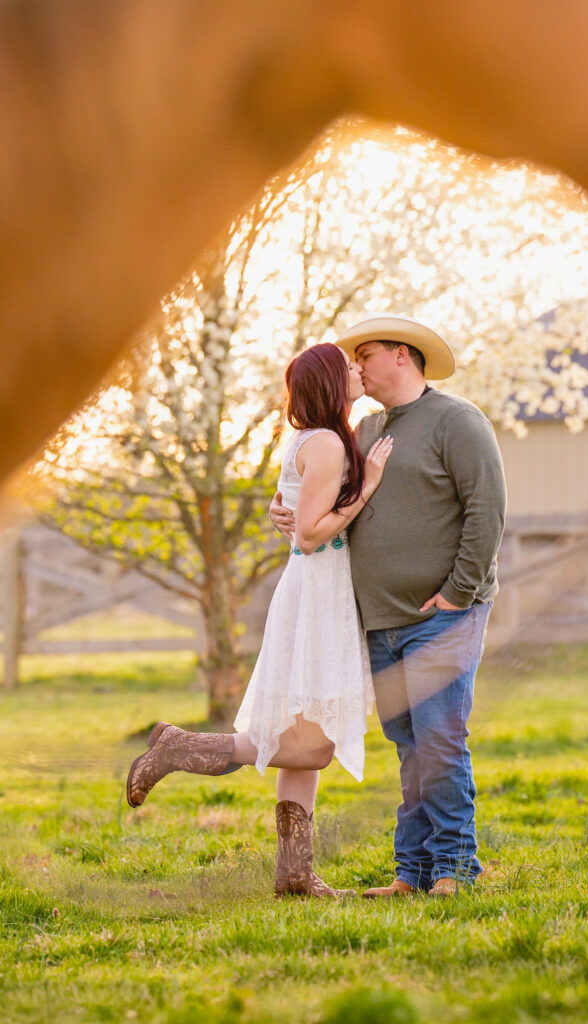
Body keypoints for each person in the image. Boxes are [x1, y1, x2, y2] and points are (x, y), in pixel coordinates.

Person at [126, 342, 393, 898]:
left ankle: (294, 874)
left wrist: (296, 511)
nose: (357, 369)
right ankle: (179, 748)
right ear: (328, 382)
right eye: (347, 366)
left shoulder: (311, 438)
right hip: (318, 591)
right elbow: (312, 532)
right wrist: (366, 486)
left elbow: (290, 509)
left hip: (311, 588)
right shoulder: (324, 444)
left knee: (307, 731)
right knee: (313, 744)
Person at [271, 315, 506, 896]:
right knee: (408, 746)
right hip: (378, 621)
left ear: (402, 355)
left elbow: (487, 510)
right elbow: (327, 514)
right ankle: (414, 872)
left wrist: (459, 592)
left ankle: (455, 869)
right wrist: (289, 520)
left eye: (367, 354)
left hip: (442, 617)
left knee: (441, 740)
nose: (357, 367)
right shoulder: (364, 430)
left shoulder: (457, 421)